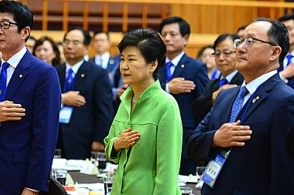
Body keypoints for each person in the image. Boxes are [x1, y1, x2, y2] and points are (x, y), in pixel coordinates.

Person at [0, 1, 61, 194]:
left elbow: (45, 137)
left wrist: (33, 187)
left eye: (6, 25)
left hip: (18, 179)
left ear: (25, 32)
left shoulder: (43, 73)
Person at [186, 18, 294, 194]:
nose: (241, 48)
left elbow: (284, 172)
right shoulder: (226, 96)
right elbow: (193, 143)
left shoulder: (286, 100)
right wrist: (215, 138)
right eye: (240, 41)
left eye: (250, 41)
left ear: (274, 52)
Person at [104, 28, 182, 195]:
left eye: (131, 60)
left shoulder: (166, 105)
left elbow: (167, 172)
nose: (124, 66)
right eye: (122, 59)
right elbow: (110, 148)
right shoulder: (125, 99)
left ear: (153, 64)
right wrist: (117, 144)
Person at [158, 16, 209, 175]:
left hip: (184, 138)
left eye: (173, 34)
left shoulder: (197, 67)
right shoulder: (153, 65)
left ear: (185, 38)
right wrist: (167, 88)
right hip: (156, 134)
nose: (167, 38)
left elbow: (202, 105)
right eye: (164, 34)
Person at [56, 27, 113, 159]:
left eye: (75, 43)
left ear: (87, 47)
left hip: (83, 140)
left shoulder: (98, 74)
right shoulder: (54, 72)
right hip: (56, 138)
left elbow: (104, 110)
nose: (69, 46)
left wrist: (100, 140)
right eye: (66, 42)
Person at [192, 33, 244, 119]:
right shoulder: (212, 84)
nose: (221, 58)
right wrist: (213, 98)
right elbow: (196, 110)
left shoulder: (244, 81)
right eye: (217, 53)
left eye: (227, 53)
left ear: (239, 53)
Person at [278, 13, 294, 89]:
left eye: (289, 29)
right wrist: (282, 75)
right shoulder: (274, 56)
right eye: (283, 31)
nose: (286, 34)